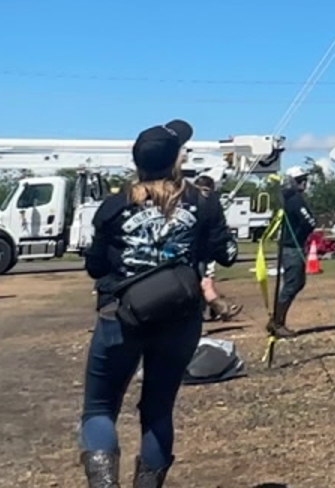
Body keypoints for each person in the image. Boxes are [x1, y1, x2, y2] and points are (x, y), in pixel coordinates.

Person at [78, 119, 236, 488]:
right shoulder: (203, 201)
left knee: (100, 409)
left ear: (138, 163)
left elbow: (95, 266)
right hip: (180, 319)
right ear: (176, 160)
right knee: (158, 410)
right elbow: (226, 254)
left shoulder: (113, 206)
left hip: (120, 317)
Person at [269, 166, 317, 338]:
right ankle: (277, 322)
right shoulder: (295, 200)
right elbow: (309, 221)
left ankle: (277, 319)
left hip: (291, 245)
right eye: (301, 179)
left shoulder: (287, 198)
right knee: (292, 284)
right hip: (292, 246)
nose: (305, 182)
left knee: (297, 283)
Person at [190, 176, 242, 322]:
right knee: (204, 283)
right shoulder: (211, 202)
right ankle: (220, 310)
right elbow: (218, 229)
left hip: (190, 250)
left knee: (202, 284)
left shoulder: (189, 200)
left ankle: (214, 311)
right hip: (204, 251)